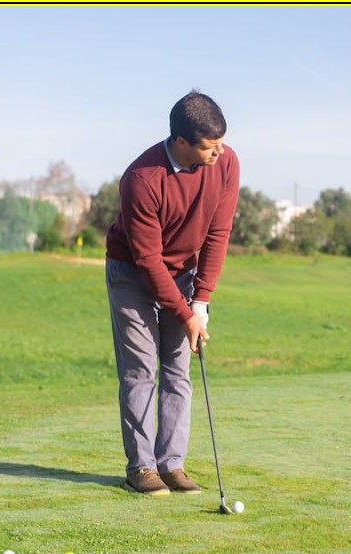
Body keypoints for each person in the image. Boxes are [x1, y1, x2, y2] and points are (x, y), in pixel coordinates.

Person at [105, 90, 240, 496]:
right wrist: (184, 314)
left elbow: (218, 233)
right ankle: (142, 467)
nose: (218, 153)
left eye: (220, 143)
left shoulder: (227, 162)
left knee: (179, 369)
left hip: (183, 273)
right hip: (133, 274)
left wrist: (201, 301)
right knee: (141, 369)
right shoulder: (142, 179)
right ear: (180, 141)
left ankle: (172, 465)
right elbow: (147, 260)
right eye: (208, 147)